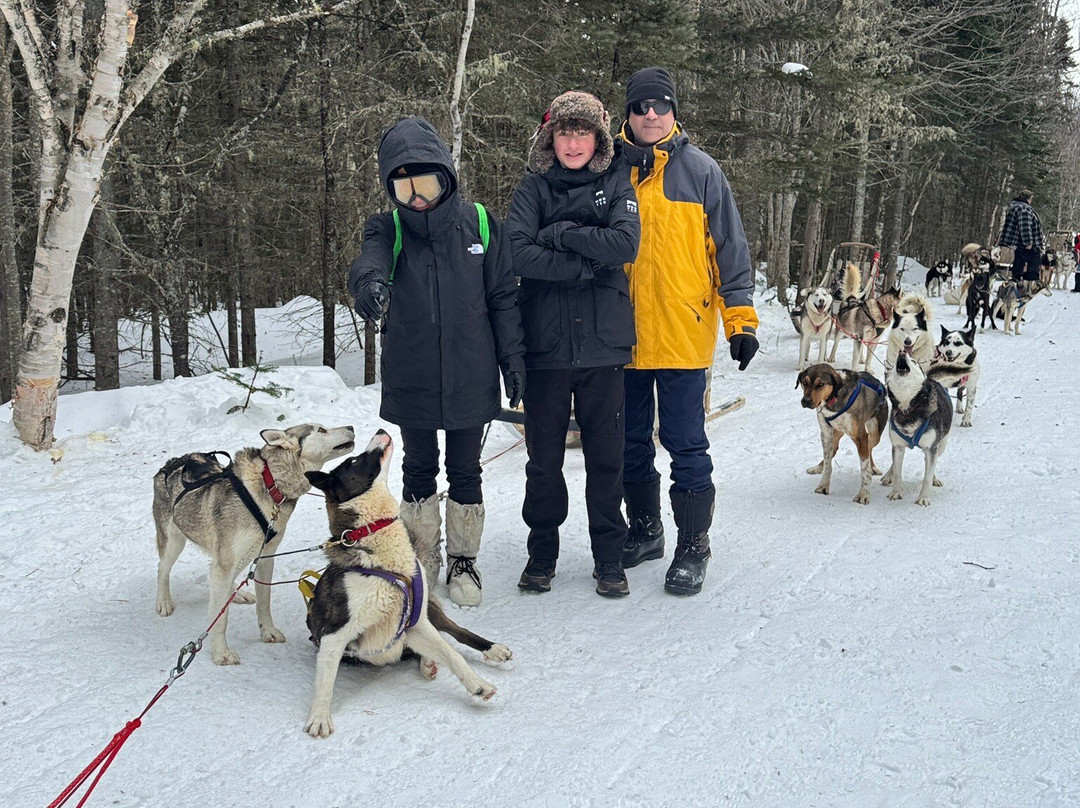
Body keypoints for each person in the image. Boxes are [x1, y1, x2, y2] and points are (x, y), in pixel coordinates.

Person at [348, 117, 525, 607]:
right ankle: (422, 556)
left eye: (425, 184)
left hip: (472, 372)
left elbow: (504, 299)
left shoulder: (482, 224)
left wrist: (513, 359)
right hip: (414, 377)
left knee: (466, 470)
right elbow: (370, 259)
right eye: (404, 188)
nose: (417, 198)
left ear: (446, 177)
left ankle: (464, 560)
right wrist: (367, 285)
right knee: (419, 469)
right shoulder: (388, 227)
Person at [614, 67, 759, 596]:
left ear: (675, 111)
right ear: (626, 114)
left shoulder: (701, 171)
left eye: (660, 105)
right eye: (640, 106)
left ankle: (693, 545)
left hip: (682, 334)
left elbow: (730, 250)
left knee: (685, 444)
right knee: (629, 444)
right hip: (622, 339)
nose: (650, 114)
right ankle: (647, 530)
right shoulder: (609, 171)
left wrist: (739, 320)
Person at [505, 91, 641, 597]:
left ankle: (610, 558)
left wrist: (560, 234)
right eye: (565, 132)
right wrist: (587, 260)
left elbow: (625, 244)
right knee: (544, 462)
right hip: (546, 349)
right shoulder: (532, 188)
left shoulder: (616, 180)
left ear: (599, 137)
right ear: (551, 138)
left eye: (584, 132)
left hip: (604, 347)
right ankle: (542, 554)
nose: (574, 142)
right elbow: (518, 253)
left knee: (607, 459)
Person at [997, 190, 1043, 284]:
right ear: (1028, 199)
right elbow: (1025, 226)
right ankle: (1027, 283)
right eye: (1031, 199)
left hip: (1018, 243)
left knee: (1020, 261)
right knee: (1033, 262)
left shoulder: (1017, 207)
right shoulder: (1023, 209)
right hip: (1024, 244)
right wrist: (1028, 242)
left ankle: (1019, 281)